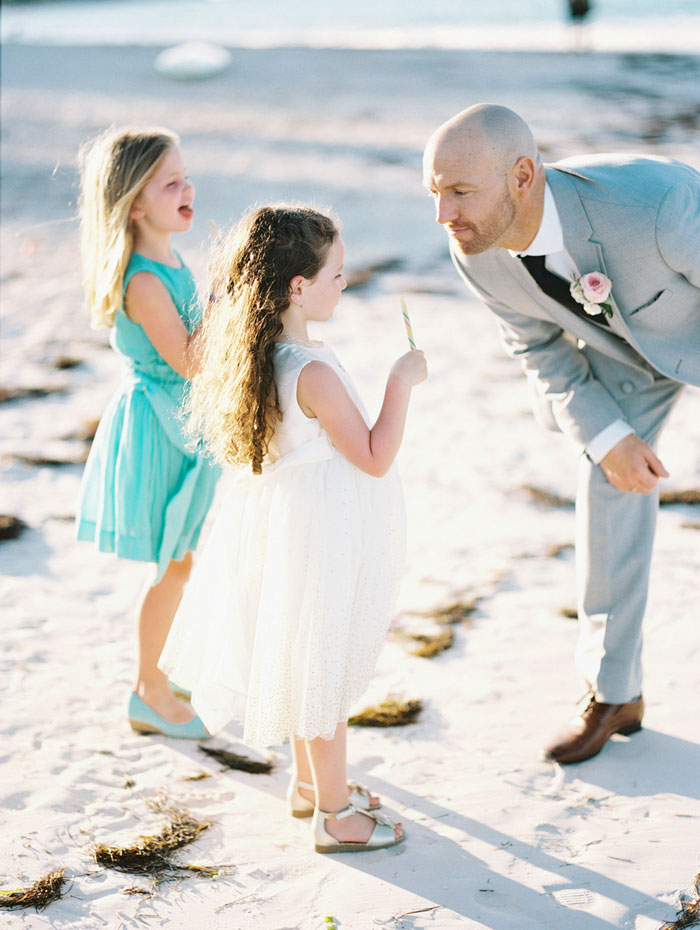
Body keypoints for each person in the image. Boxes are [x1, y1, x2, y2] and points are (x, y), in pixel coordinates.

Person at [423, 103, 700, 764]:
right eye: (435, 193)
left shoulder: (655, 204)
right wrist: (607, 438)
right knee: (606, 479)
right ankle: (614, 693)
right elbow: (538, 351)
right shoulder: (476, 252)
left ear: (522, 175)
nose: (444, 215)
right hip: (626, 358)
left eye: (460, 192)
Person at [159, 204, 427, 852]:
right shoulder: (309, 370)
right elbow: (372, 455)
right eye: (334, 272)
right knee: (322, 671)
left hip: (292, 530)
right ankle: (336, 817)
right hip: (320, 535)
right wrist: (401, 382)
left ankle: (310, 787)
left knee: (308, 657)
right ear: (298, 287)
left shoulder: (271, 354)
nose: (343, 280)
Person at [76, 126, 220, 738]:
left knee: (183, 559)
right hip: (162, 428)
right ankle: (148, 690)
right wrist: (224, 310)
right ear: (135, 202)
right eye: (171, 183)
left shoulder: (169, 255)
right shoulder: (142, 279)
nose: (188, 187)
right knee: (172, 564)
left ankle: (160, 673)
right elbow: (191, 361)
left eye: (186, 175)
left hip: (184, 422)